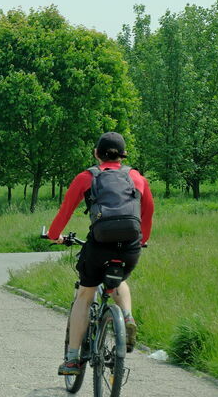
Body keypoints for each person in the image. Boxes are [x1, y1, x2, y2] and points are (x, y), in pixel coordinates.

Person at [47, 132, 154, 375]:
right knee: (120, 280)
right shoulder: (137, 178)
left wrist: (55, 235)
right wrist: (142, 240)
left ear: (96, 153)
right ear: (123, 155)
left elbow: (65, 211)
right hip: (129, 247)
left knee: (85, 295)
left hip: (99, 244)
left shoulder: (86, 177)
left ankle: (73, 360)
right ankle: (126, 317)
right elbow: (147, 213)